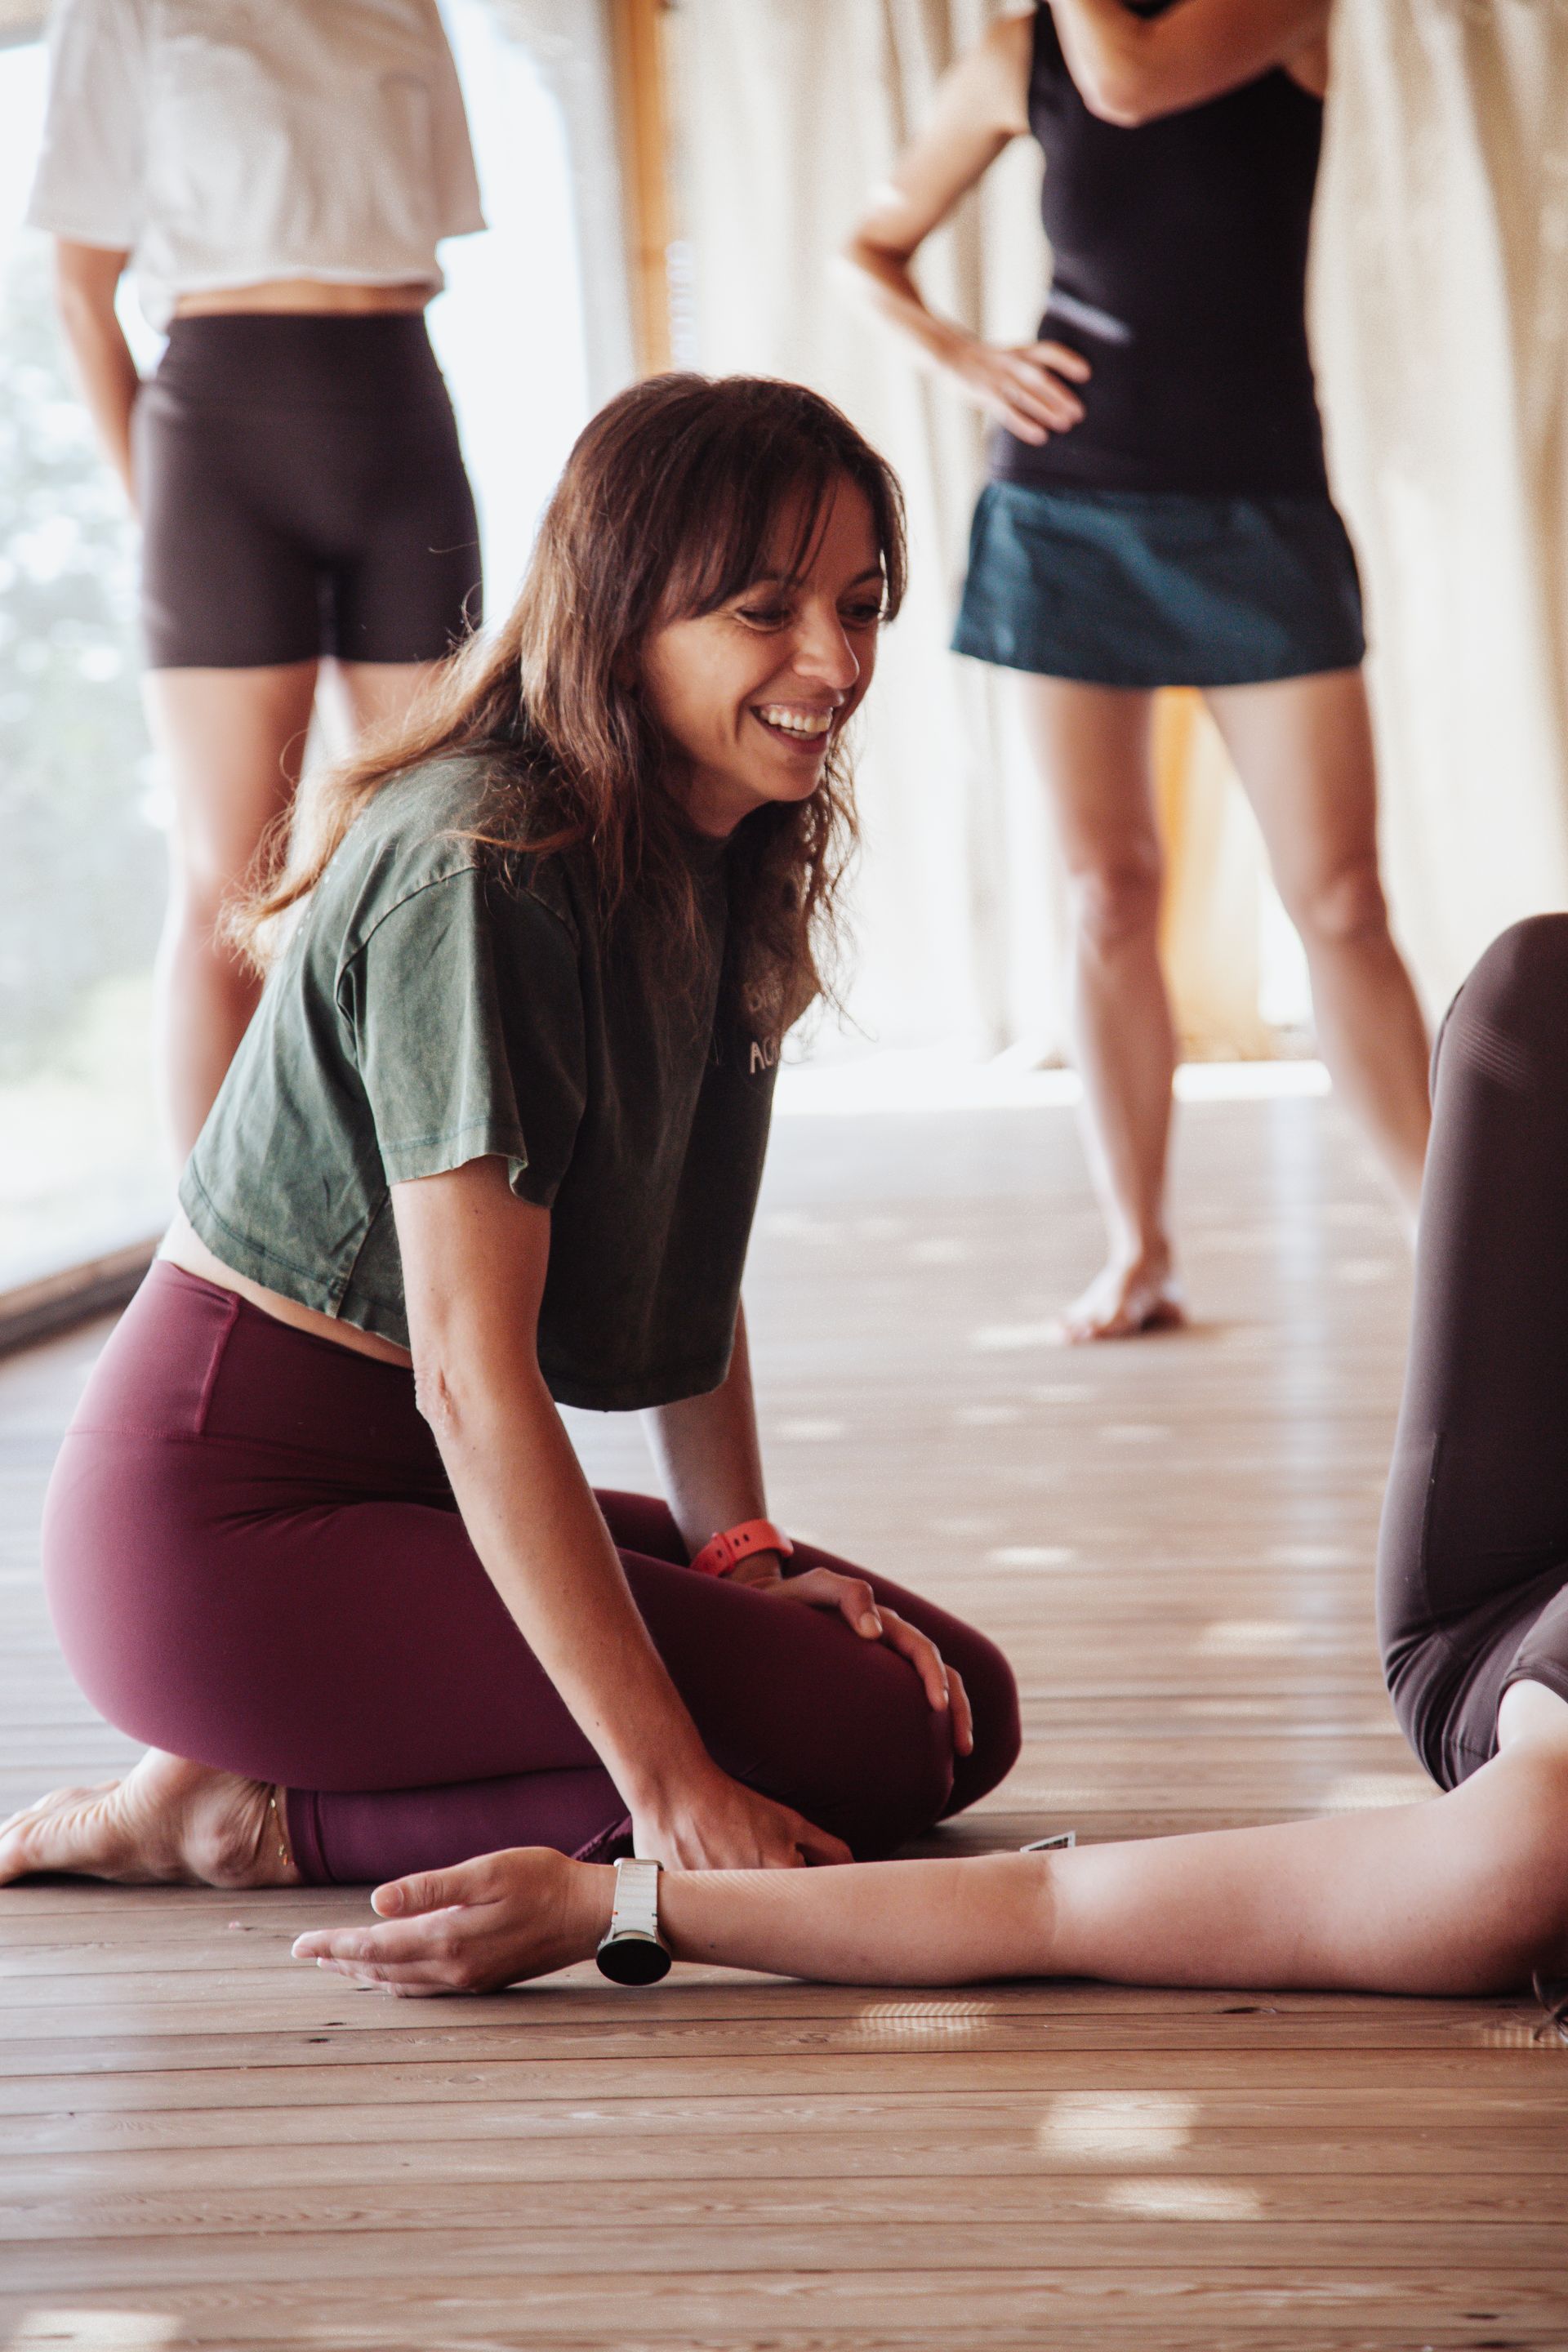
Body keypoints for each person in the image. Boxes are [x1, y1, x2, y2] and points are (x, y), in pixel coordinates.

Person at [0, 376, 1019, 1897]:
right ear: (619, 617)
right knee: (864, 1743)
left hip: (408, 1493)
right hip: (227, 1534)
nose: (836, 662)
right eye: (765, 611)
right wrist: (671, 1794)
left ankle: (255, 1768)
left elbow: (692, 1246)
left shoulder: (712, 830)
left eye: (860, 604)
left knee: (956, 1706)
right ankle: (241, 1818)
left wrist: (743, 1553)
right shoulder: (483, 865)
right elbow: (476, 1386)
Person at [283, 917, 1568, 2003]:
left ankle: (264, 1811)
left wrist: (623, 1904)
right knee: (1537, 981)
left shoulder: (1526, 1850)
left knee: (910, 1728)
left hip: (1488, 1631)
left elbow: (1051, 1905)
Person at [839, 0, 1432, 1339]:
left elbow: (1128, 74)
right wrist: (963, 356)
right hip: (1067, 515)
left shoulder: (1277, 16)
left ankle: (1442, 1240)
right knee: (1109, 891)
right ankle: (1140, 1251)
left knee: (1338, 898)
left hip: (1259, 511)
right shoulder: (1017, 54)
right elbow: (866, 247)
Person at [26, 0, 488, 1156]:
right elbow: (81, 289)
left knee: (440, 857)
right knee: (232, 879)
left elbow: (423, 234)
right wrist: (165, 516)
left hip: (401, 416)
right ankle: (215, 1283)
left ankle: (424, 1237)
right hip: (218, 441)